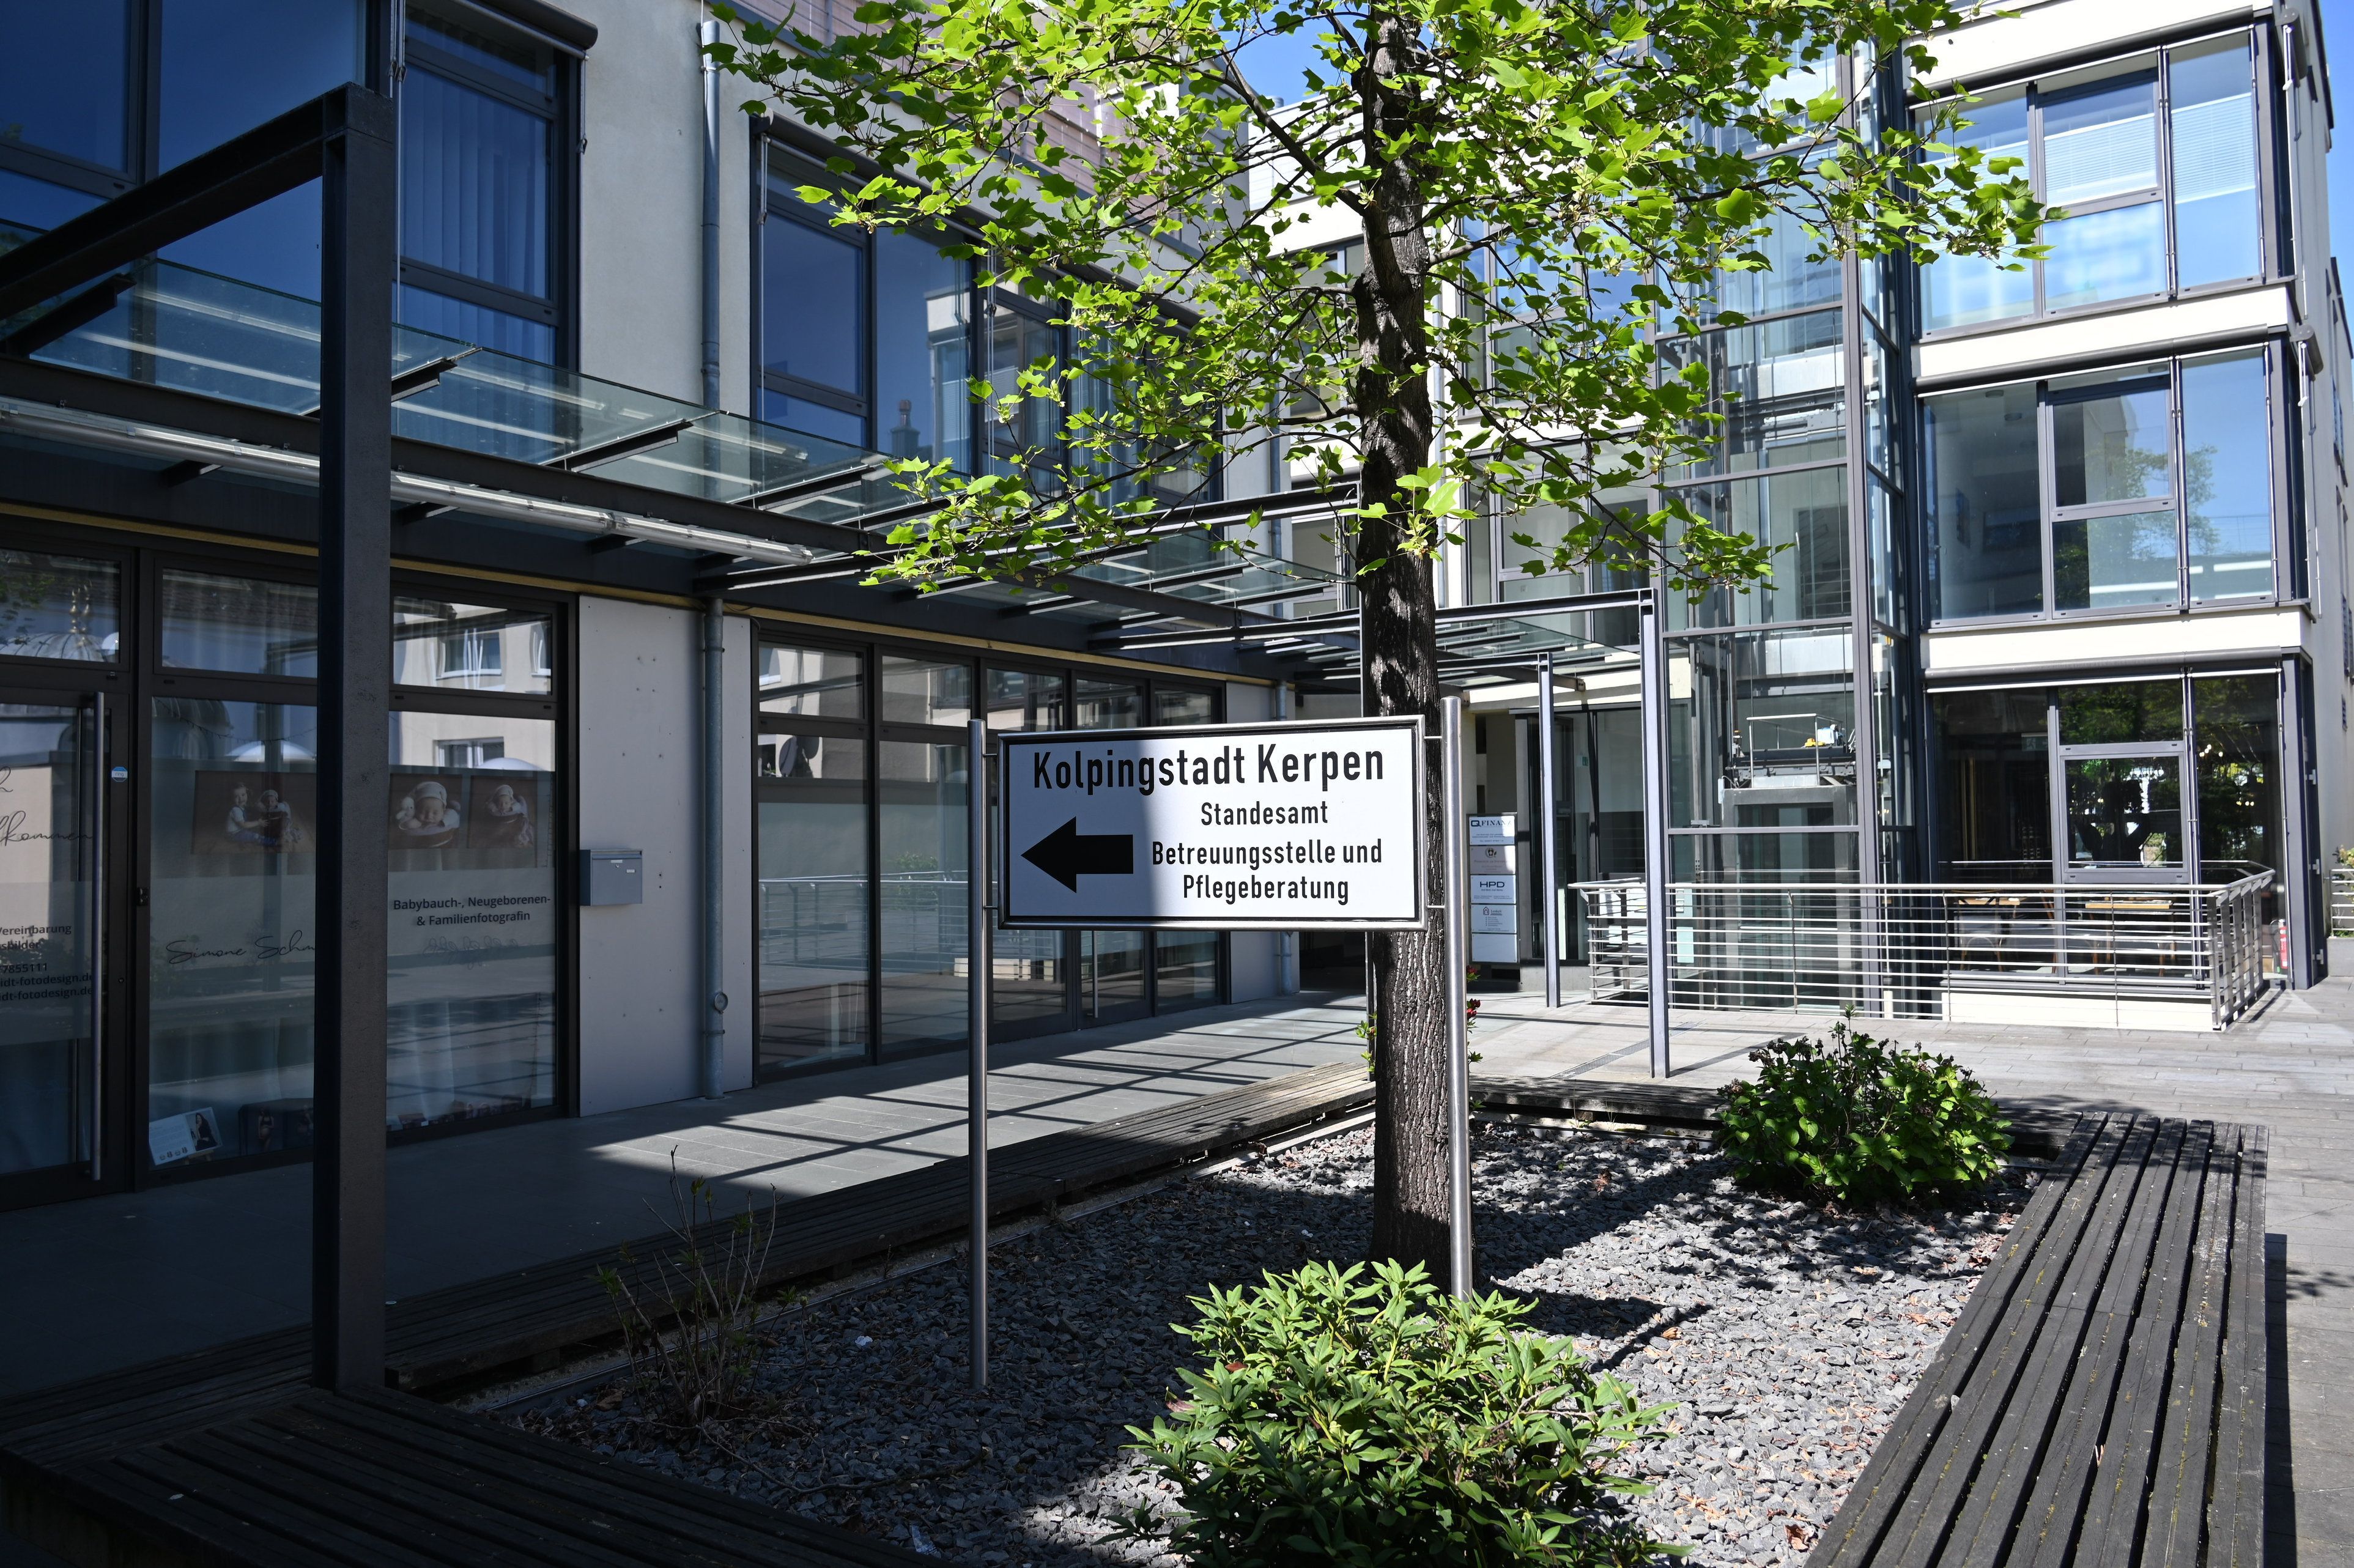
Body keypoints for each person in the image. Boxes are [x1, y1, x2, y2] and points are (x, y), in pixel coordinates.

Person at [394, 779, 462, 848]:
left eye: (435, 813)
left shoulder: (447, 813)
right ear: (416, 810)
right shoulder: (415, 818)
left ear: (443, 810)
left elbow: (454, 814)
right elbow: (402, 821)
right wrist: (409, 824)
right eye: (423, 812)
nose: (429, 816)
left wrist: (443, 822)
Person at [477, 780, 533, 848]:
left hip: (514, 820)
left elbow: (519, 805)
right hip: (497, 822)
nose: (503, 806)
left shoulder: (513, 802)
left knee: (519, 826)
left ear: (511, 801)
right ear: (496, 801)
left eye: (506, 803)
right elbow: (488, 805)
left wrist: (511, 808)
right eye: (500, 803)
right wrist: (495, 809)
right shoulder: (494, 803)